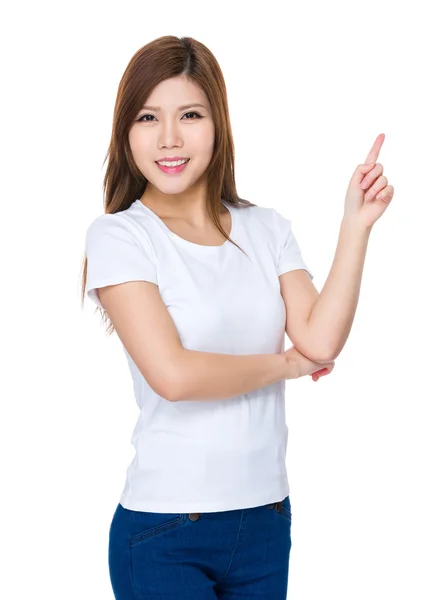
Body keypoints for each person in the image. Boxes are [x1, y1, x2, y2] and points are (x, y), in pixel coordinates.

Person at [81, 35, 394, 600]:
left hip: (266, 520)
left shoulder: (265, 227)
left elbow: (321, 339)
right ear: (126, 132)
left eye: (190, 115)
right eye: (149, 117)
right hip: (166, 529)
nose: (170, 138)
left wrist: (356, 225)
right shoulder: (120, 236)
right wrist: (287, 366)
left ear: (217, 124)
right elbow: (173, 376)